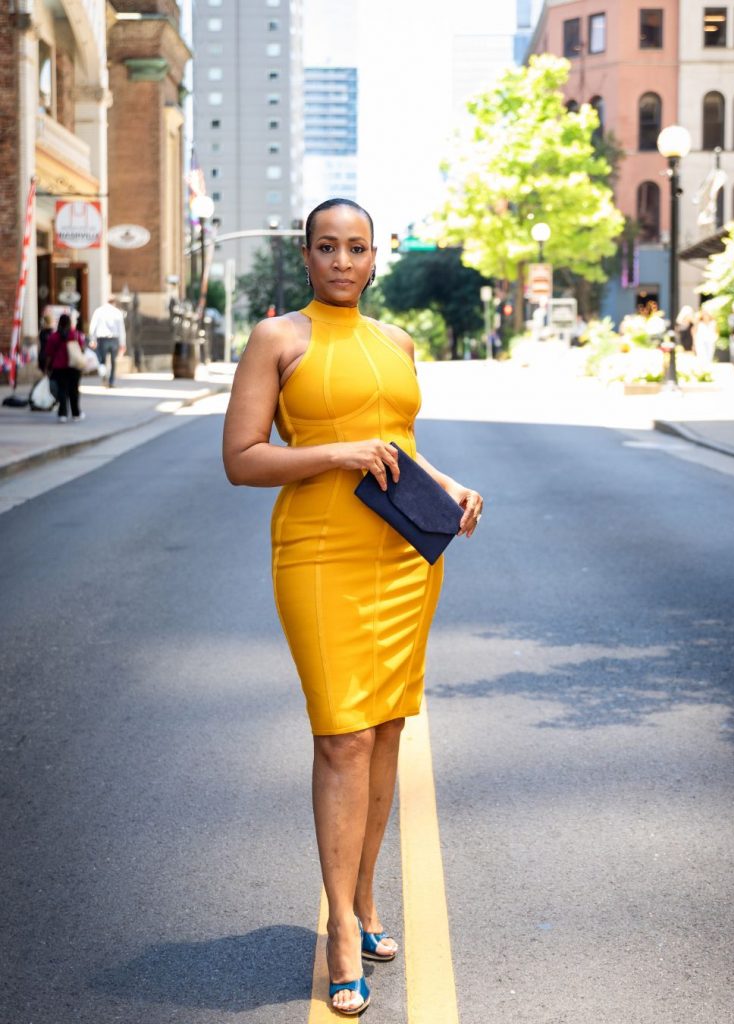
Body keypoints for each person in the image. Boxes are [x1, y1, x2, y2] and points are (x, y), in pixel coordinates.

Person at [222, 198, 483, 1017]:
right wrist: (333, 453)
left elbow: (395, 440)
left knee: (386, 731)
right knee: (343, 735)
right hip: (318, 550)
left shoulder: (397, 343)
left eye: (357, 248)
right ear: (306, 255)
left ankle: (367, 899)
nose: (342, 260)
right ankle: (341, 926)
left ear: (376, 259)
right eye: (327, 246)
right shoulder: (278, 339)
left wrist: (447, 486)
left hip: (401, 554)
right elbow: (240, 458)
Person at [45, 313, 84, 422]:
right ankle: (76, 413)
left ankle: (63, 414)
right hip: (74, 367)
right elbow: (81, 348)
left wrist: (47, 368)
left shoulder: (53, 337)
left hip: (59, 367)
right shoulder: (76, 335)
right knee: (74, 391)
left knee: (62, 390)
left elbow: (49, 354)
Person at [89, 296, 126, 387]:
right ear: (114, 302)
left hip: (102, 339)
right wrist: (122, 344)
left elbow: (93, 327)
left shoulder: (99, 311)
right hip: (114, 339)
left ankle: (104, 376)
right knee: (113, 362)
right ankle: (111, 381)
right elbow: (121, 329)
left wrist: (92, 339)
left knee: (102, 361)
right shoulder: (117, 312)